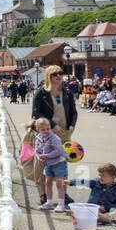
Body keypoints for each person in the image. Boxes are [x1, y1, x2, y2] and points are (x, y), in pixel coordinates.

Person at [32, 65, 78, 203]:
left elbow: (73, 112)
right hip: (47, 132)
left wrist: (72, 125)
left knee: (61, 162)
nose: (59, 76)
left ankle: (63, 193)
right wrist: (52, 125)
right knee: (43, 162)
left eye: (60, 73)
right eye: (55, 74)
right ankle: (43, 194)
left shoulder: (67, 92)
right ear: (49, 77)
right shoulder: (41, 93)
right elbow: (36, 113)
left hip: (64, 132)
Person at [34, 118, 70, 212]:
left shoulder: (55, 138)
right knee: (48, 183)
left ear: (50, 128)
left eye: (48, 128)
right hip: (48, 164)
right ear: (38, 129)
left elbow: (58, 151)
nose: (46, 131)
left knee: (59, 184)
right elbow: (37, 150)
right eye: (43, 129)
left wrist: (48, 156)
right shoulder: (38, 138)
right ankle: (49, 203)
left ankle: (61, 205)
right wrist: (39, 157)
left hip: (59, 163)